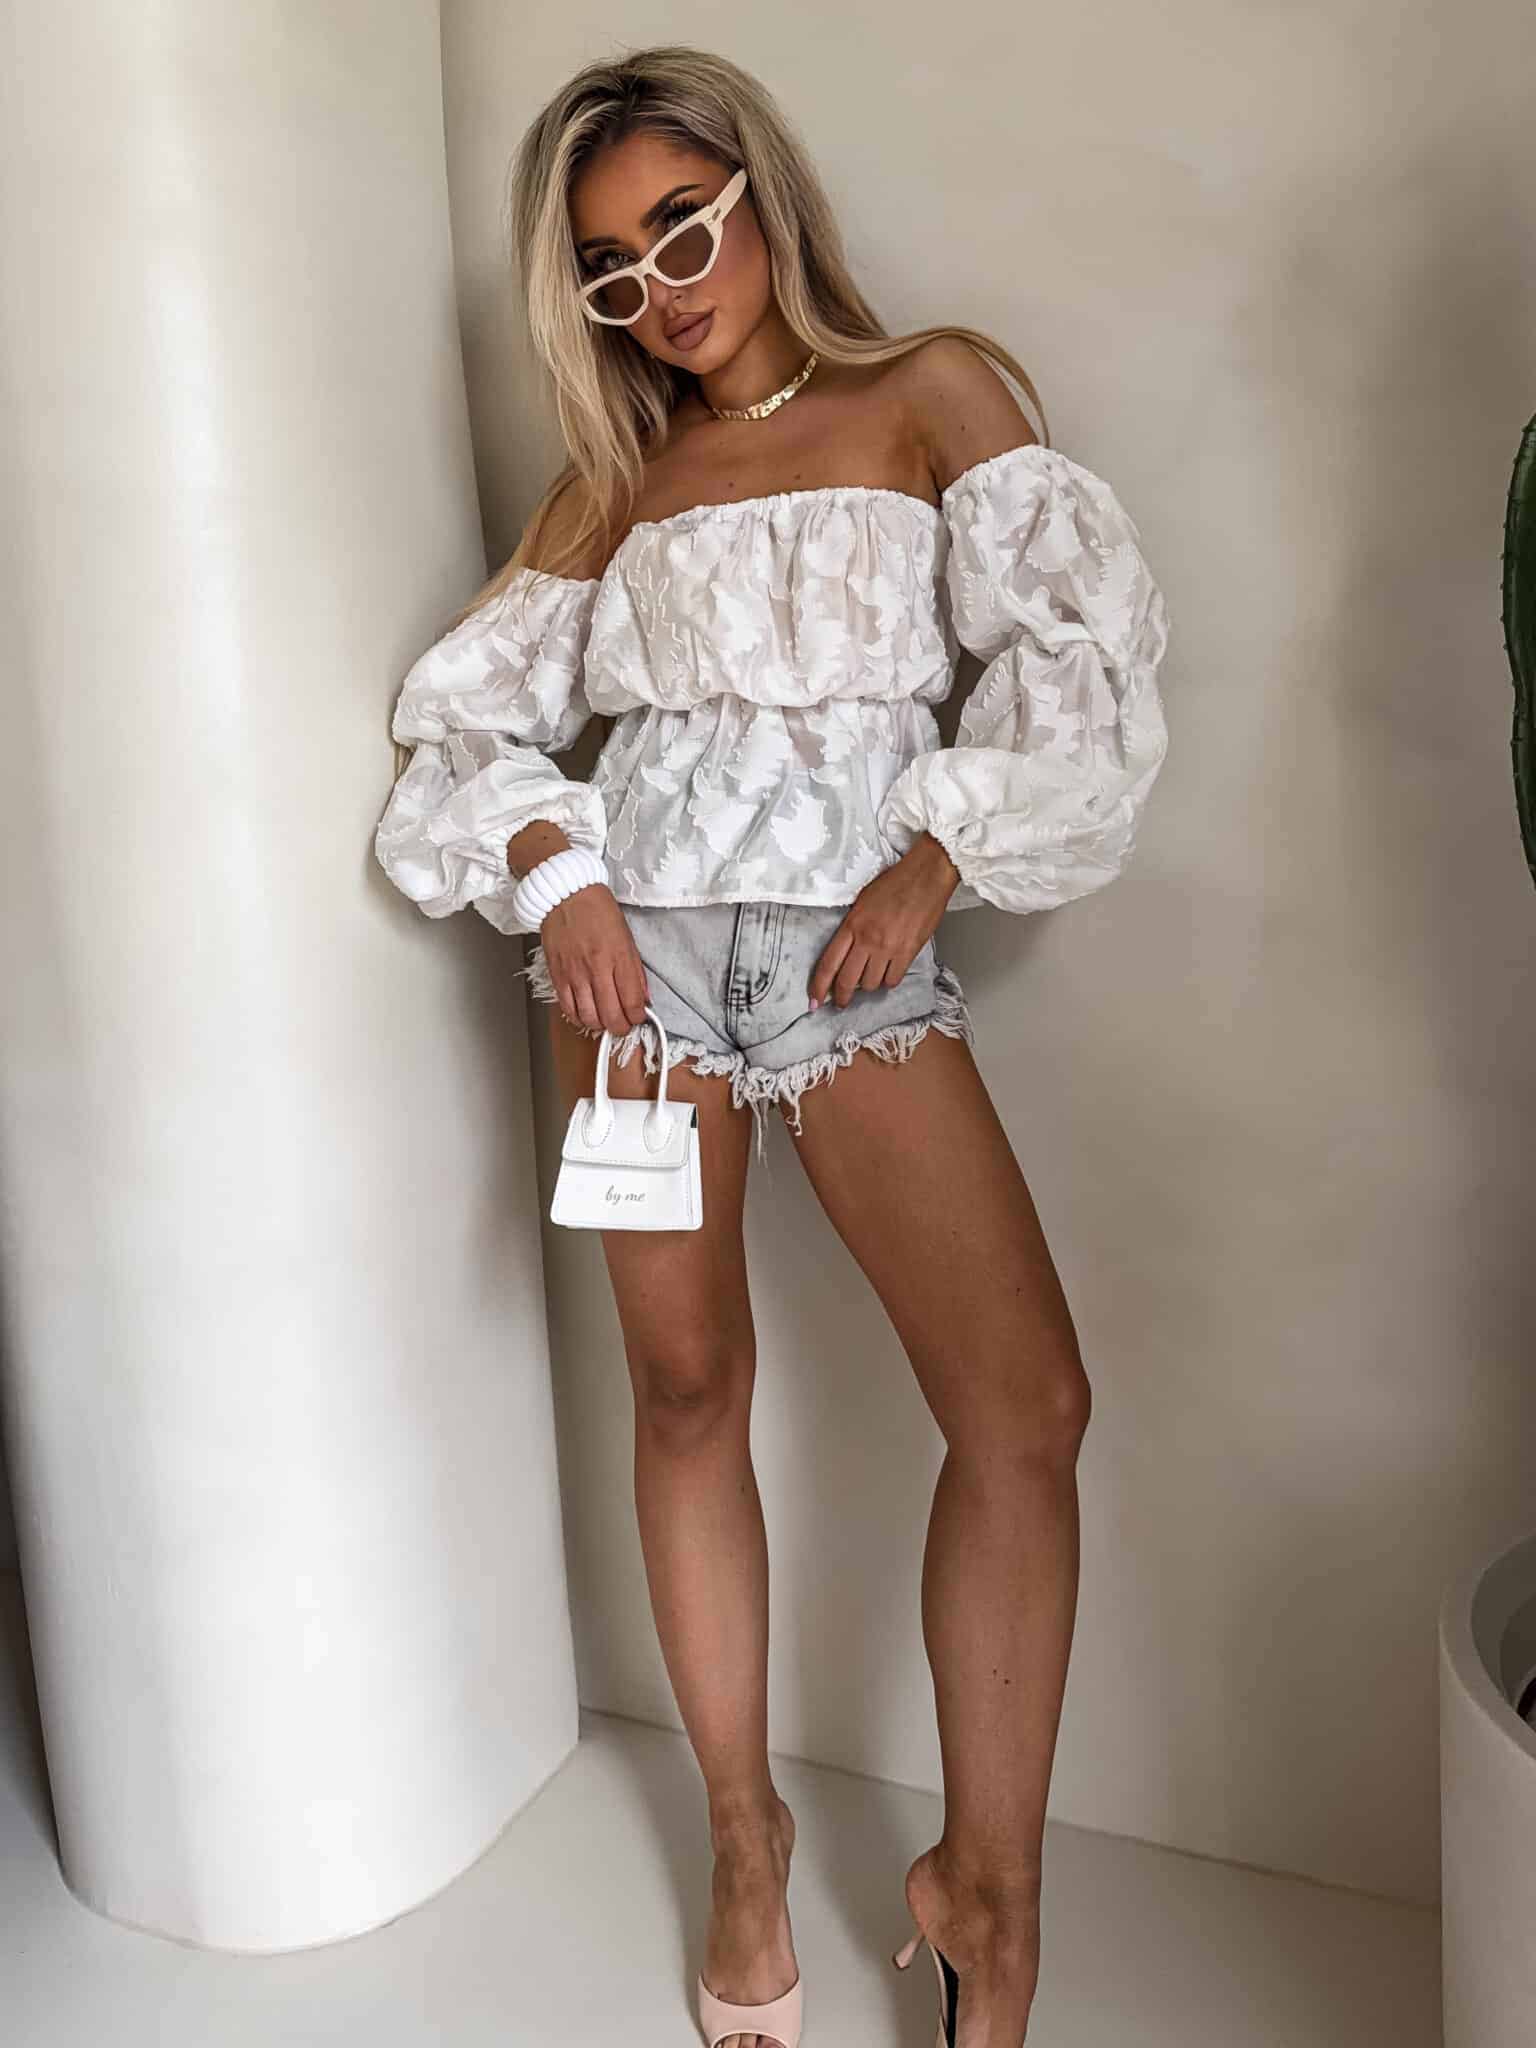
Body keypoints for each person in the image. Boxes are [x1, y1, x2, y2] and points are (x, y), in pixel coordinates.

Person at [374, 43, 1170, 2048]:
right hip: (637, 975)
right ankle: (744, 1840)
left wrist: (936, 856)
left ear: (761, 195)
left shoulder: (935, 394)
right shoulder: (618, 480)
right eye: (612, 269)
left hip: (847, 964)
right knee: (685, 1392)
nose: (658, 288)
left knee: (1027, 1409)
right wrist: (559, 875)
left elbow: (1080, 671)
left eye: (680, 228)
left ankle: (988, 1890)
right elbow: (463, 725)